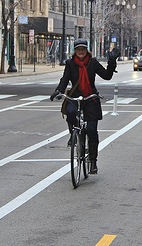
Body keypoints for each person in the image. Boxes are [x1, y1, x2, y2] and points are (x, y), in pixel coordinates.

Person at [50, 39, 120, 174]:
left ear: (86, 50)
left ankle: (93, 161)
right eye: (78, 49)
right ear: (74, 51)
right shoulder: (70, 64)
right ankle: (74, 135)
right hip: (75, 96)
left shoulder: (92, 62)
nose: (80, 51)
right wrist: (59, 90)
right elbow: (65, 79)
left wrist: (111, 62)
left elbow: (107, 76)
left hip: (90, 97)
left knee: (92, 130)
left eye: (83, 49)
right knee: (70, 112)